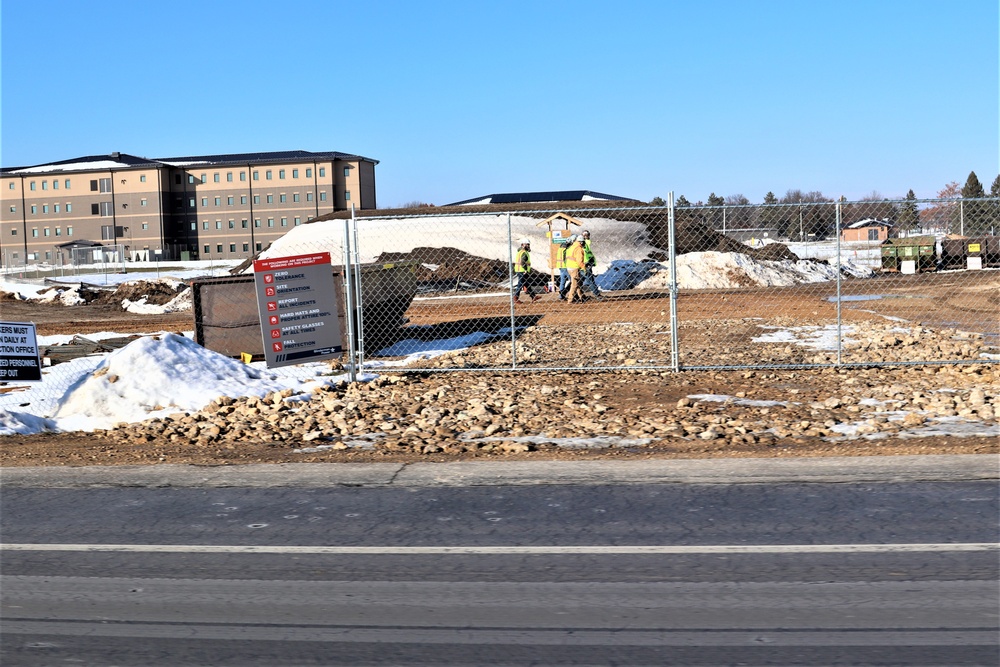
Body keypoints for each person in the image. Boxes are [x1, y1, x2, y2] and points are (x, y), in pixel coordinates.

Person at [512, 237, 541, 304]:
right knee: (521, 283)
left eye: (528, 244)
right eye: (527, 244)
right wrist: (525, 269)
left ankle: (533, 296)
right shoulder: (524, 253)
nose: (528, 246)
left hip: (519, 269)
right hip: (522, 270)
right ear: (522, 245)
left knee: (526, 284)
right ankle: (516, 297)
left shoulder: (520, 251)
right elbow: (522, 262)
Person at [580, 229, 603, 299]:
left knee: (579, 281)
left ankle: (564, 292)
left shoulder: (581, 244)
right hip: (585, 264)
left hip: (582, 264)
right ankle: (597, 294)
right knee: (590, 280)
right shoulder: (586, 244)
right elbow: (588, 255)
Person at [565, 234, 586, 303]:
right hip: (575, 268)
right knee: (574, 285)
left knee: (577, 283)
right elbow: (579, 261)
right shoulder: (579, 249)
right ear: (581, 242)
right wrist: (584, 267)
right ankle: (570, 299)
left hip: (569, 267)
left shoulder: (571, 247)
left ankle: (581, 296)